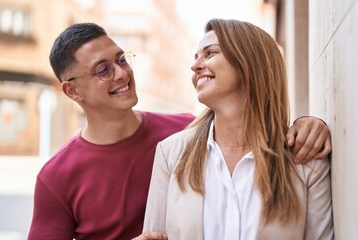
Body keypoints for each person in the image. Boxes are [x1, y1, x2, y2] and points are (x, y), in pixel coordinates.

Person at [28, 22, 331, 240]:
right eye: (103, 69)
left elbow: (248, 121)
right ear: (72, 91)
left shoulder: (180, 131)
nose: (122, 73)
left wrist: (307, 123)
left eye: (122, 60)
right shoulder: (57, 177)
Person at [139, 19, 333, 239]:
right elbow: (153, 236)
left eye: (210, 53)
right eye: (196, 57)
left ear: (249, 62)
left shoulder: (306, 160)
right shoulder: (170, 153)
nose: (195, 66)